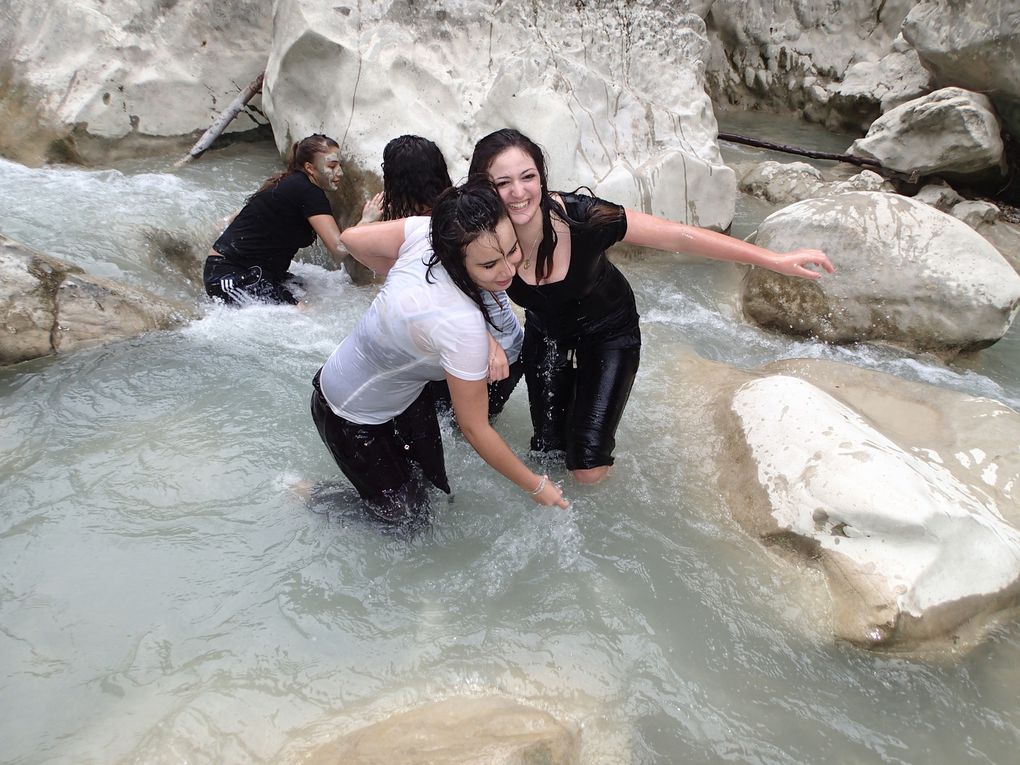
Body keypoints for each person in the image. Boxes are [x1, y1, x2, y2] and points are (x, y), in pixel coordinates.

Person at [468, 128, 835, 485]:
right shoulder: (476, 235)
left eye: (528, 177)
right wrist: (486, 340)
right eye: (502, 183)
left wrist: (773, 259)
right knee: (547, 452)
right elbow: (444, 274)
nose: (518, 192)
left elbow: (677, 235)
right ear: (485, 190)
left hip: (608, 331)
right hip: (547, 334)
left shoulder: (585, 219)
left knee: (587, 466)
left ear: (542, 178)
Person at [311, 178, 569, 526]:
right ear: (454, 259)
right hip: (348, 413)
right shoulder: (459, 325)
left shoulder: (427, 232)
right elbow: (476, 429)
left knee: (435, 488)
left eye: (511, 251)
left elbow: (353, 237)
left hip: (400, 394)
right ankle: (312, 497)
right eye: (489, 265)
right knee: (407, 523)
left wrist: (398, 281)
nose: (508, 271)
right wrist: (537, 486)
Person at [360, 135, 525, 420]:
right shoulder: (464, 210)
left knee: (460, 431)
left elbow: (446, 292)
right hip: (508, 344)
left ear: (394, 180)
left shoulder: (440, 230)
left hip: (487, 351)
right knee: (470, 431)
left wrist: (366, 224)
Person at [203, 133, 348, 305]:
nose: (340, 172)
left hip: (258, 272)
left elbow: (240, 215)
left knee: (311, 293)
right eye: (332, 166)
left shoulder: (289, 182)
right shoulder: (308, 191)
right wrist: (366, 222)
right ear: (310, 167)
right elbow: (339, 249)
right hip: (229, 275)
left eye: (340, 165)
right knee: (302, 314)